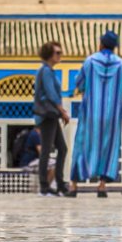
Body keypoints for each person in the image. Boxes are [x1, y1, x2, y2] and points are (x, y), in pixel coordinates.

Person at [69, 31, 122, 198]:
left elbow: (79, 83)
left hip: (90, 113)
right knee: (109, 147)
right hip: (112, 115)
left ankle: (74, 185)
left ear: (100, 44)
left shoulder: (90, 61)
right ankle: (102, 186)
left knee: (82, 144)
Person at [32, 40, 73, 196]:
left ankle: (60, 184)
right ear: (49, 54)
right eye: (57, 52)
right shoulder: (46, 71)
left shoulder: (48, 71)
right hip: (47, 115)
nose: (60, 55)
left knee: (61, 148)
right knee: (47, 150)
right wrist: (62, 111)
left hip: (52, 114)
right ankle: (45, 187)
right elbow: (50, 93)